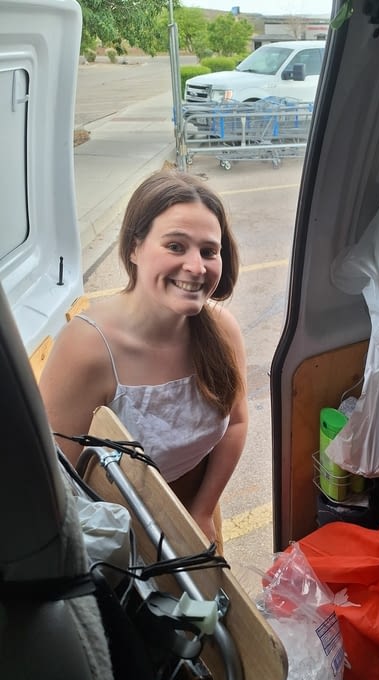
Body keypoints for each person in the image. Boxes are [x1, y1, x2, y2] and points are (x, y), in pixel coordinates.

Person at [39, 169, 248, 551]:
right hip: (116, 535)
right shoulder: (87, 349)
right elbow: (55, 487)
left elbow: (236, 423)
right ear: (134, 248)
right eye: (176, 246)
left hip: (195, 515)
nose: (196, 267)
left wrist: (202, 511)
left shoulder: (222, 330)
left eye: (208, 251)